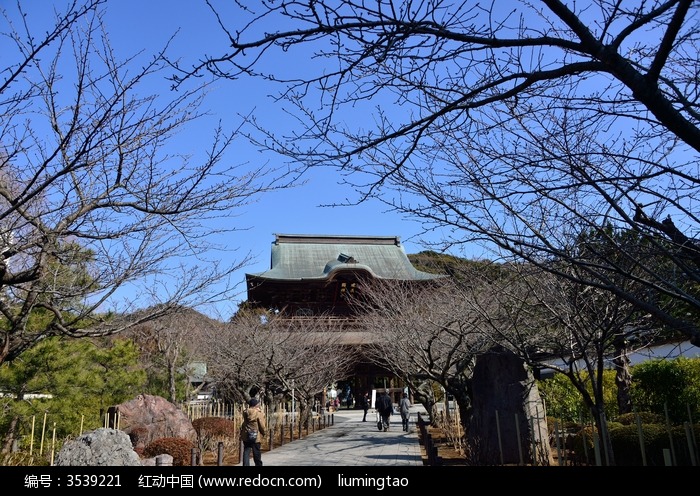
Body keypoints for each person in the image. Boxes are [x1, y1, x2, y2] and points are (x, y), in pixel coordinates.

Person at [240, 397, 267, 466]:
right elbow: (262, 425)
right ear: (256, 405)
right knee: (256, 452)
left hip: (246, 434)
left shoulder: (245, 412)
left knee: (246, 451)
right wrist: (264, 433)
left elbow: (244, 422)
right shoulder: (258, 413)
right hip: (255, 435)